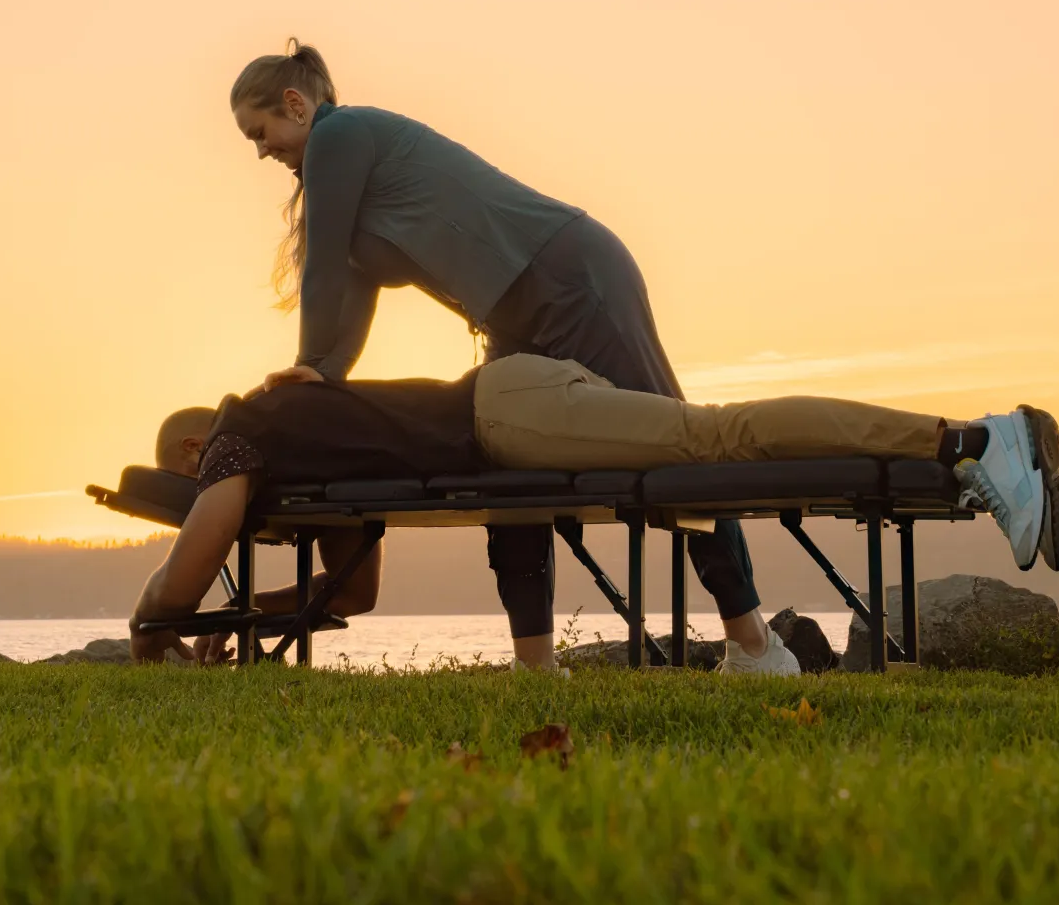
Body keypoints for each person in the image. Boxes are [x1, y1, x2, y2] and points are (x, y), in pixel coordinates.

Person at [226, 38, 776, 673]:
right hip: (512, 314)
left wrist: (315, 367)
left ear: (294, 104)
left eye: (259, 132)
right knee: (510, 477)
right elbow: (349, 292)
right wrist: (320, 375)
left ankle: (756, 645)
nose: (263, 150)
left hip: (571, 277)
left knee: (676, 444)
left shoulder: (340, 135)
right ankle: (536, 666)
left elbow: (321, 265)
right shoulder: (343, 172)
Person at [131, 353, 1059, 669]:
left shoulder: (237, 425)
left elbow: (193, 552)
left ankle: (971, 441)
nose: (202, 486)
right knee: (717, 437)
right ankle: (964, 460)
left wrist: (152, 619)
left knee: (718, 439)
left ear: (190, 455)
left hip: (507, 414)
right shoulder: (305, 446)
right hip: (516, 404)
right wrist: (255, 618)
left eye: (195, 478)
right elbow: (361, 588)